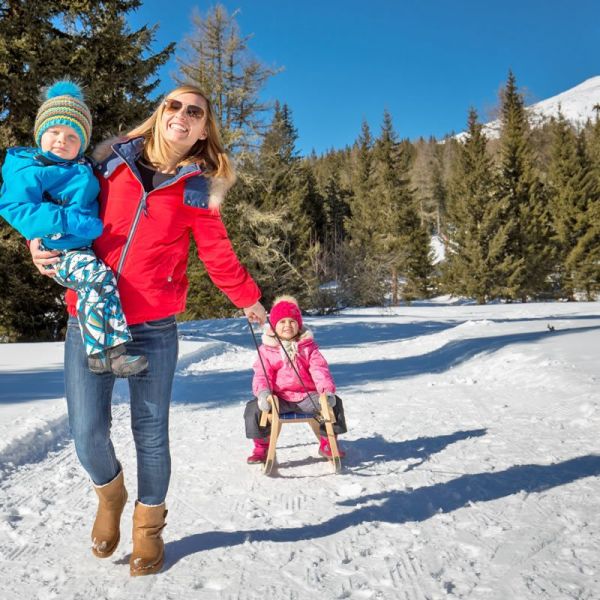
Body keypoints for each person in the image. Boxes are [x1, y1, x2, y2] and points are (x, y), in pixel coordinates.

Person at [29, 84, 266, 576]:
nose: (182, 114)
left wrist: (249, 300)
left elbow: (218, 255)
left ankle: (148, 529)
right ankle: (110, 495)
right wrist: (37, 242)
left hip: (154, 326)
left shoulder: (198, 188)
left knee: (150, 432)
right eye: (174, 105)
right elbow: (57, 203)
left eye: (194, 111)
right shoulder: (108, 162)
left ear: (203, 130)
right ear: (160, 114)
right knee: (86, 430)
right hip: (89, 317)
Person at [0, 80, 147, 377]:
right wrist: (70, 222)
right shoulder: (28, 168)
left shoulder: (82, 167)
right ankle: (106, 354)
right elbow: (16, 208)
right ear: (41, 134)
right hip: (59, 248)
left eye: (72, 136)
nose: (61, 141)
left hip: (80, 247)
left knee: (101, 282)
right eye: (54, 132)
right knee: (97, 278)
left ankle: (107, 354)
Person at [244, 295, 347, 464]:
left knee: (334, 404)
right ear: (274, 326)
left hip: (307, 397)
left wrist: (326, 392)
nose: (287, 325)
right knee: (254, 409)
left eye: (292, 321)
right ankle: (262, 447)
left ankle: (328, 441)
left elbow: (319, 370)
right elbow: (263, 374)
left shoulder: (308, 347)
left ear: (298, 324)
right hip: (279, 399)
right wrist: (264, 394)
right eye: (282, 322)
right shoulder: (267, 349)